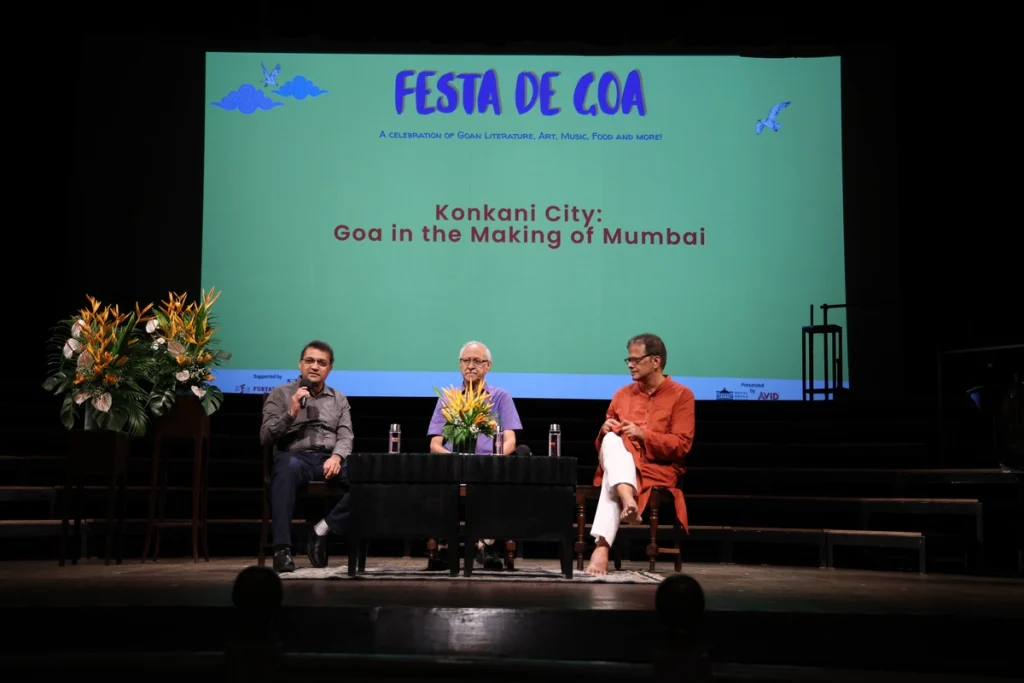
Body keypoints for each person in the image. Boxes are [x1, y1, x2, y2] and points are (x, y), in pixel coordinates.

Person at [586, 333, 695, 576]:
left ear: (655, 361)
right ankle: (628, 500)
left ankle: (602, 547)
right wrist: (603, 432)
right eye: (628, 360)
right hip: (620, 462)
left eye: (635, 360)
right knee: (613, 439)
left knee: (612, 479)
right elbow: (604, 445)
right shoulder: (622, 394)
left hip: (656, 468)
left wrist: (644, 435)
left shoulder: (681, 395)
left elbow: (681, 445)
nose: (630, 365)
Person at [426, 340, 523, 569]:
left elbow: (511, 439)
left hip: (490, 464)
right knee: (433, 469)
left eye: (477, 361)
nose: (470, 366)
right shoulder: (448, 397)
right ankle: (445, 546)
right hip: (454, 465)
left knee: (512, 465)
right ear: (460, 365)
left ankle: (485, 545)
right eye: (465, 361)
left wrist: (495, 459)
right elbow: (435, 444)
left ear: (488, 366)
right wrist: (455, 459)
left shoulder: (500, 397)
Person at [260, 340, 354, 573]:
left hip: (328, 460)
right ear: (300, 364)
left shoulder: (339, 399)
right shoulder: (281, 394)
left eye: (321, 362)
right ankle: (282, 549)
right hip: (296, 458)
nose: (314, 366)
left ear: (329, 369)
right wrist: (291, 412)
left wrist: (337, 457)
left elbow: (345, 436)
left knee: (367, 479)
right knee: (285, 468)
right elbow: (265, 437)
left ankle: (322, 528)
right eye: (309, 361)